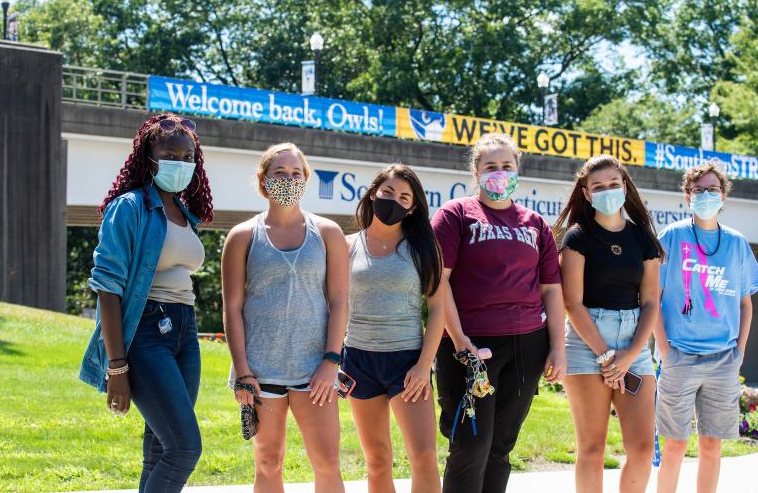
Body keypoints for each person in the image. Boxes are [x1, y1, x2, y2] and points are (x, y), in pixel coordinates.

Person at [78, 114, 214, 493]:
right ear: (148, 157)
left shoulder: (185, 215)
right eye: (170, 154)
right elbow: (108, 287)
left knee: (160, 448)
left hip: (184, 331)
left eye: (188, 157)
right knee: (185, 448)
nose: (180, 163)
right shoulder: (130, 207)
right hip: (147, 333)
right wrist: (117, 367)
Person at [431, 133, 566, 493]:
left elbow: (551, 289)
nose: (499, 173)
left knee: (501, 445)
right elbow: (437, 282)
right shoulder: (455, 214)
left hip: (527, 345)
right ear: (476, 171)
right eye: (491, 166)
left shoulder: (535, 224)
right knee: (470, 444)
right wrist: (460, 342)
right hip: (471, 347)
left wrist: (558, 347)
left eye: (507, 166)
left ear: (518, 171)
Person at [221, 142, 349, 493]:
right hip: (261, 372)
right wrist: (243, 372)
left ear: (306, 180)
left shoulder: (328, 233)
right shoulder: (243, 236)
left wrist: (331, 361)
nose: (289, 180)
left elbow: (340, 301)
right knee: (268, 462)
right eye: (280, 173)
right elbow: (232, 308)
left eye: (296, 173)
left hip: (315, 370)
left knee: (326, 462)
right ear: (263, 181)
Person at [554, 154, 663, 493]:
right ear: (586, 193)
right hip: (588, 343)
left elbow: (650, 302)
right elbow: (572, 301)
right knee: (592, 448)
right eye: (597, 186)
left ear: (625, 186)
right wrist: (604, 355)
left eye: (614, 184)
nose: (607, 191)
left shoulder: (642, 238)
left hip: (635, 344)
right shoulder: (577, 237)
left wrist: (630, 355)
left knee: (643, 450)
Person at [655, 161, 758, 493]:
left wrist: (739, 353)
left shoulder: (736, 243)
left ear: (723, 196)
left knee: (712, 448)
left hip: (723, 359)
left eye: (712, 189)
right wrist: (665, 350)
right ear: (687, 196)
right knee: (674, 447)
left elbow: (746, 303)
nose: (706, 195)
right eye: (699, 189)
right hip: (680, 357)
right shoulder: (671, 237)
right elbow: (653, 299)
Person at [342, 164, 444, 493]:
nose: (393, 201)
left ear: (413, 207)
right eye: (387, 193)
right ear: (373, 193)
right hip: (359, 360)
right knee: (377, 459)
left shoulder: (422, 248)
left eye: (404, 197)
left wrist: (423, 365)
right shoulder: (346, 246)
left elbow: (438, 307)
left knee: (425, 456)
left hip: (407, 362)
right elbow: (333, 306)